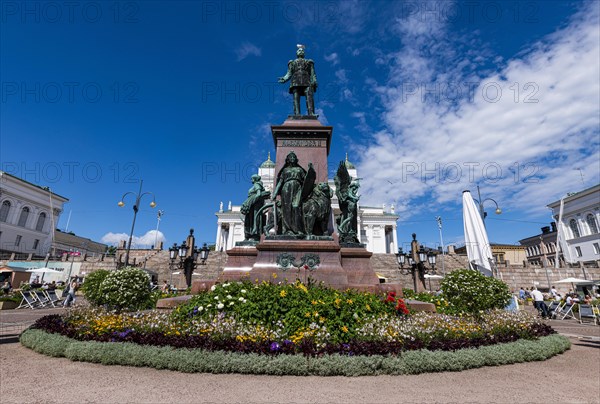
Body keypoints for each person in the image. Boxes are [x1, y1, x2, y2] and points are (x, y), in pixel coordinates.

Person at [272, 151, 306, 235]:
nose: (292, 158)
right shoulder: (285, 170)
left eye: (294, 157)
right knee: (286, 209)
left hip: (297, 188)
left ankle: (298, 229)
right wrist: (275, 193)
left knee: (296, 207)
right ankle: (287, 230)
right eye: (291, 157)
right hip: (286, 188)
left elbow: (306, 180)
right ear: (287, 159)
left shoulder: (299, 169)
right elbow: (280, 182)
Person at [278, 44, 318, 116]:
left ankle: (311, 113)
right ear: (297, 53)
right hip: (295, 80)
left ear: (304, 53)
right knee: (296, 98)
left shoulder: (309, 62)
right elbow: (289, 73)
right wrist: (284, 79)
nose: (301, 51)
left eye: (302, 51)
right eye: (299, 50)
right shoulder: (292, 62)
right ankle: (297, 114)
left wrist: (314, 80)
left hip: (307, 80)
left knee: (309, 97)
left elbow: (313, 73)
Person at [240, 175, 270, 240]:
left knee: (253, 219)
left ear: (255, 179)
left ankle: (253, 235)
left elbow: (259, 194)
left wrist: (251, 201)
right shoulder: (257, 185)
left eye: (252, 179)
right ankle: (250, 235)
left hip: (254, 205)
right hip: (253, 205)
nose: (251, 180)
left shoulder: (257, 184)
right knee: (251, 219)